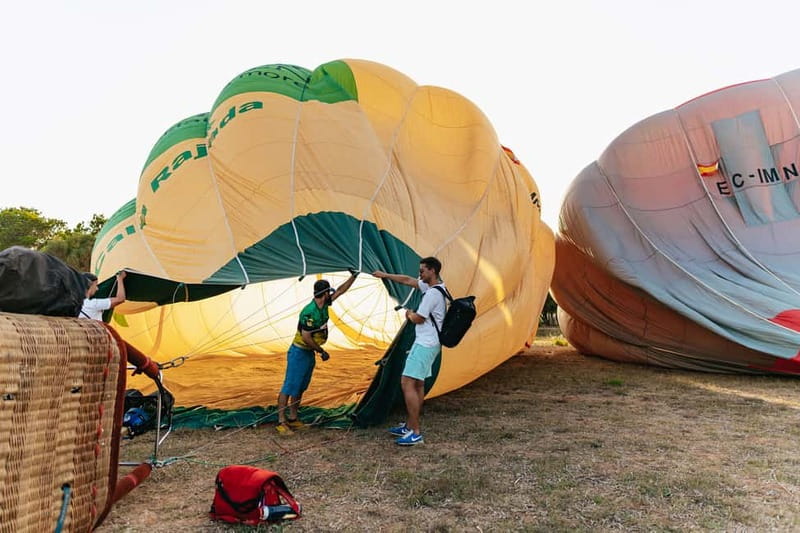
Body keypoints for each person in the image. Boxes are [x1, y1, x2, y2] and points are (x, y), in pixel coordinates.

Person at [372, 256, 445, 446]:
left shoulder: (431, 295)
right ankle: (410, 426)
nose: (419, 275)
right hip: (431, 343)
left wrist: (409, 314)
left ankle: (415, 432)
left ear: (432, 271)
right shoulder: (438, 288)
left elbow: (419, 318)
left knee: (407, 382)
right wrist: (385, 275)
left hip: (424, 344)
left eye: (422, 271)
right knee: (418, 384)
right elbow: (407, 280)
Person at [276, 271, 359, 435]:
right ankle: (281, 421)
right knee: (289, 386)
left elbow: (341, 290)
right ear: (325, 293)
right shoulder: (309, 312)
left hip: (308, 353)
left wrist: (353, 276)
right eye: (329, 292)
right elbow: (306, 337)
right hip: (299, 352)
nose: (331, 295)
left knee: (300, 386)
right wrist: (321, 351)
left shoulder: (325, 303)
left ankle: (293, 417)